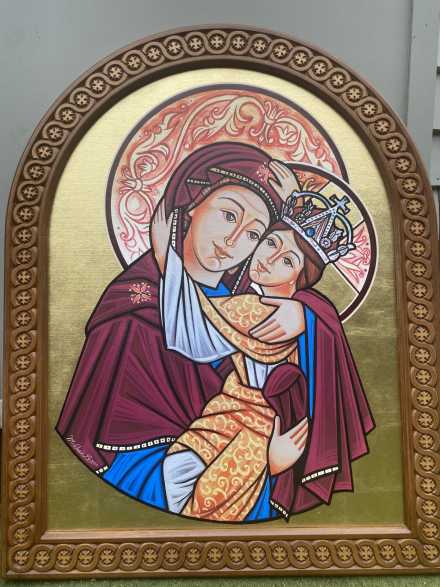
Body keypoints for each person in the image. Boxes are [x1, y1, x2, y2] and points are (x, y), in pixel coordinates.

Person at [56, 142, 307, 516]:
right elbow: (110, 457)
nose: (232, 242)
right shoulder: (135, 309)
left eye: (255, 235)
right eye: (228, 215)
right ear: (192, 205)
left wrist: (308, 314)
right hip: (160, 487)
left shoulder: (259, 316)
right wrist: (263, 469)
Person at [153, 183, 375, 522]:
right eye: (270, 242)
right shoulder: (261, 303)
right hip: (228, 413)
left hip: (265, 430)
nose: (268, 259)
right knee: (179, 471)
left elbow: (191, 331)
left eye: (286, 260)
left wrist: (164, 257)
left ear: (300, 278)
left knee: (202, 498)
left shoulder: (267, 310)